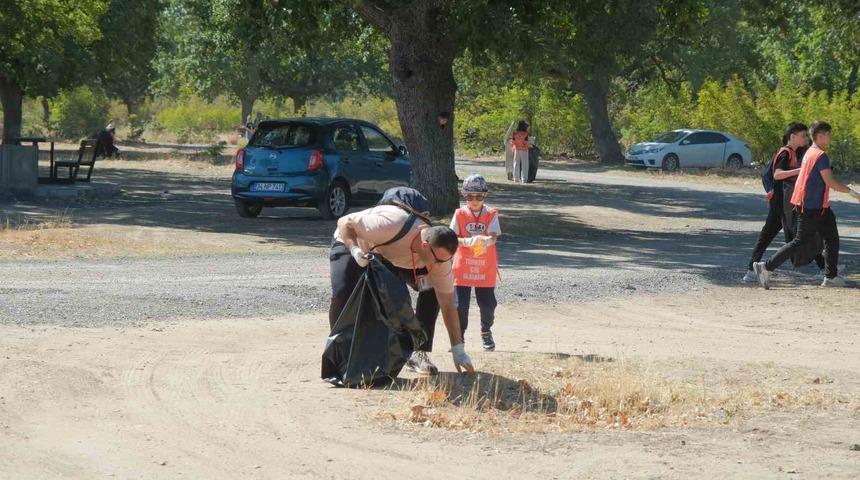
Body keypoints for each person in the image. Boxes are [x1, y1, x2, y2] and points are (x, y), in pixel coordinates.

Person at [329, 204, 475, 375]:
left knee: (429, 293)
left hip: (392, 257)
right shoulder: (391, 223)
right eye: (438, 260)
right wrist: (355, 250)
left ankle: (418, 352)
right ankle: (339, 355)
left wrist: (458, 350)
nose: (439, 265)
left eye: (445, 261)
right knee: (343, 293)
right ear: (426, 246)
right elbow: (344, 222)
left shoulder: (440, 260)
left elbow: (448, 306)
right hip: (352, 242)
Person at [754, 121, 860, 288]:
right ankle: (765, 267)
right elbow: (830, 181)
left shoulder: (810, 152)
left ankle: (831, 276)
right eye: (828, 134)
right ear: (820, 136)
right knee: (800, 241)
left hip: (819, 206)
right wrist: (853, 193)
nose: (830, 137)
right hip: (811, 207)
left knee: (831, 238)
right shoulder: (820, 156)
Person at [742, 123, 811, 282]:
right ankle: (752, 270)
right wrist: (800, 170)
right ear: (792, 136)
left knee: (800, 234)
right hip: (780, 203)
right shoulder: (785, 153)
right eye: (803, 135)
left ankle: (826, 269)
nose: (805, 138)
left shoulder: (793, 152)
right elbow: (778, 175)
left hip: (786, 202)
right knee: (792, 235)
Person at [450, 175, 501, 351]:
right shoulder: (459, 214)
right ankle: (459, 338)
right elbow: (452, 238)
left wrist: (485, 241)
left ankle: (486, 331)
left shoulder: (491, 213)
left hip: (485, 267)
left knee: (488, 304)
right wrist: (465, 242)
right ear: (464, 195)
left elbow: (494, 236)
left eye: (479, 196)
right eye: (469, 196)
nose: (474, 200)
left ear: (485, 195)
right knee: (460, 306)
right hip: (463, 265)